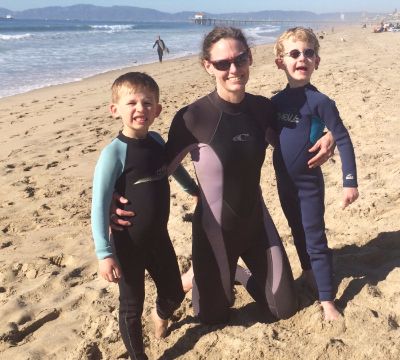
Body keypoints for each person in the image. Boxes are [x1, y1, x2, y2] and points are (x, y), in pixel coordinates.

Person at [111, 27, 336, 325]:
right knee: (212, 316)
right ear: (208, 66)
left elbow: (303, 121)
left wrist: (329, 135)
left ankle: (238, 274)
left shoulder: (262, 109)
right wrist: (116, 196)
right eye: (222, 63)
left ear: (250, 59)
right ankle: (195, 280)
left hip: (256, 222)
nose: (233, 69)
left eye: (240, 59)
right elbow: (156, 167)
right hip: (213, 230)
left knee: (285, 309)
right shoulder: (192, 118)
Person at [91, 72, 198, 360]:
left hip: (159, 238)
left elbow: (173, 167)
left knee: (174, 293)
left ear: (158, 109)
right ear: (115, 110)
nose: (141, 108)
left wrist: (193, 190)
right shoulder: (114, 153)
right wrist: (104, 253)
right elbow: (99, 205)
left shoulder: (156, 140)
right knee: (130, 307)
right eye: (132, 102)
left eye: (148, 102)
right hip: (128, 243)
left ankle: (160, 314)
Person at [272, 27, 359, 320]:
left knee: (315, 237)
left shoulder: (320, 101)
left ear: (317, 61)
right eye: (294, 53)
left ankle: (327, 301)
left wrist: (350, 182)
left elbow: (343, 138)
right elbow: (267, 136)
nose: (302, 59)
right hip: (284, 182)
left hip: (309, 183)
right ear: (280, 62)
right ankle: (309, 273)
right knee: (297, 231)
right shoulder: (274, 103)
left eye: (309, 53)